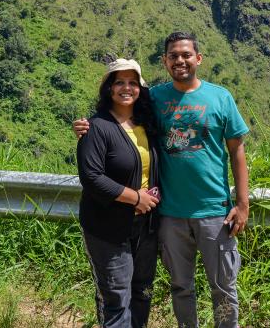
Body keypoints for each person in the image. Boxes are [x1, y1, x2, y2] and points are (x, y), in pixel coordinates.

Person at [76, 32, 250, 328]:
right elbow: (118, 113)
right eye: (173, 56)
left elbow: (237, 150)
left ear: (198, 58)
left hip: (214, 212)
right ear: (165, 61)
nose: (180, 60)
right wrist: (86, 126)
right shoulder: (154, 97)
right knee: (181, 288)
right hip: (169, 215)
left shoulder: (220, 97)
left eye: (185, 55)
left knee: (224, 290)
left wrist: (243, 203)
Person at [77, 58, 161, 328]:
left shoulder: (148, 124)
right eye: (119, 82)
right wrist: (136, 197)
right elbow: (91, 178)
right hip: (108, 228)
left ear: (140, 89)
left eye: (133, 83)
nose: (127, 88)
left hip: (145, 227)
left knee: (142, 293)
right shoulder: (96, 128)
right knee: (116, 298)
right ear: (109, 89)